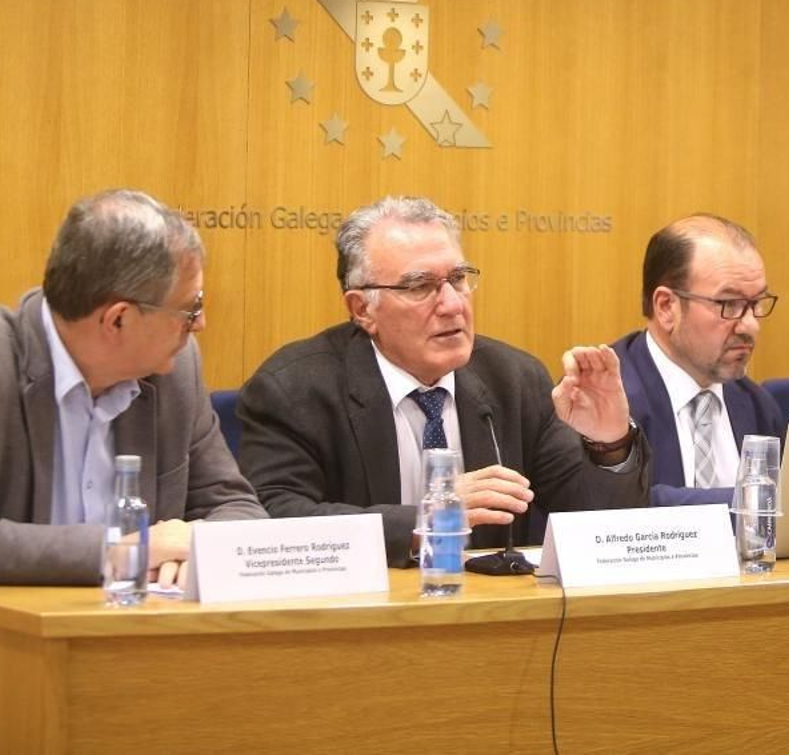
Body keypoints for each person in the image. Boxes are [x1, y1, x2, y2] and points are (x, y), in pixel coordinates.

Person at [0, 189, 264, 650]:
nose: (199, 324)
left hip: (144, 646)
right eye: (189, 309)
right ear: (117, 320)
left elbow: (237, 508)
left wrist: (195, 544)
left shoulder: (174, 371)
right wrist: (123, 552)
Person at [237, 197, 649, 565]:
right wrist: (425, 518)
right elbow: (274, 518)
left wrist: (609, 444)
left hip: (496, 624)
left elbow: (599, 528)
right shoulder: (295, 389)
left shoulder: (514, 378)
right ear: (362, 309)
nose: (452, 304)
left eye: (458, 279)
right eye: (420, 286)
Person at [611, 214, 786, 506]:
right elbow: (624, 509)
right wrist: (750, 504)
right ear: (667, 307)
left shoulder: (755, 404)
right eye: (729, 304)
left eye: (756, 304)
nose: (750, 325)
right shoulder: (610, 403)